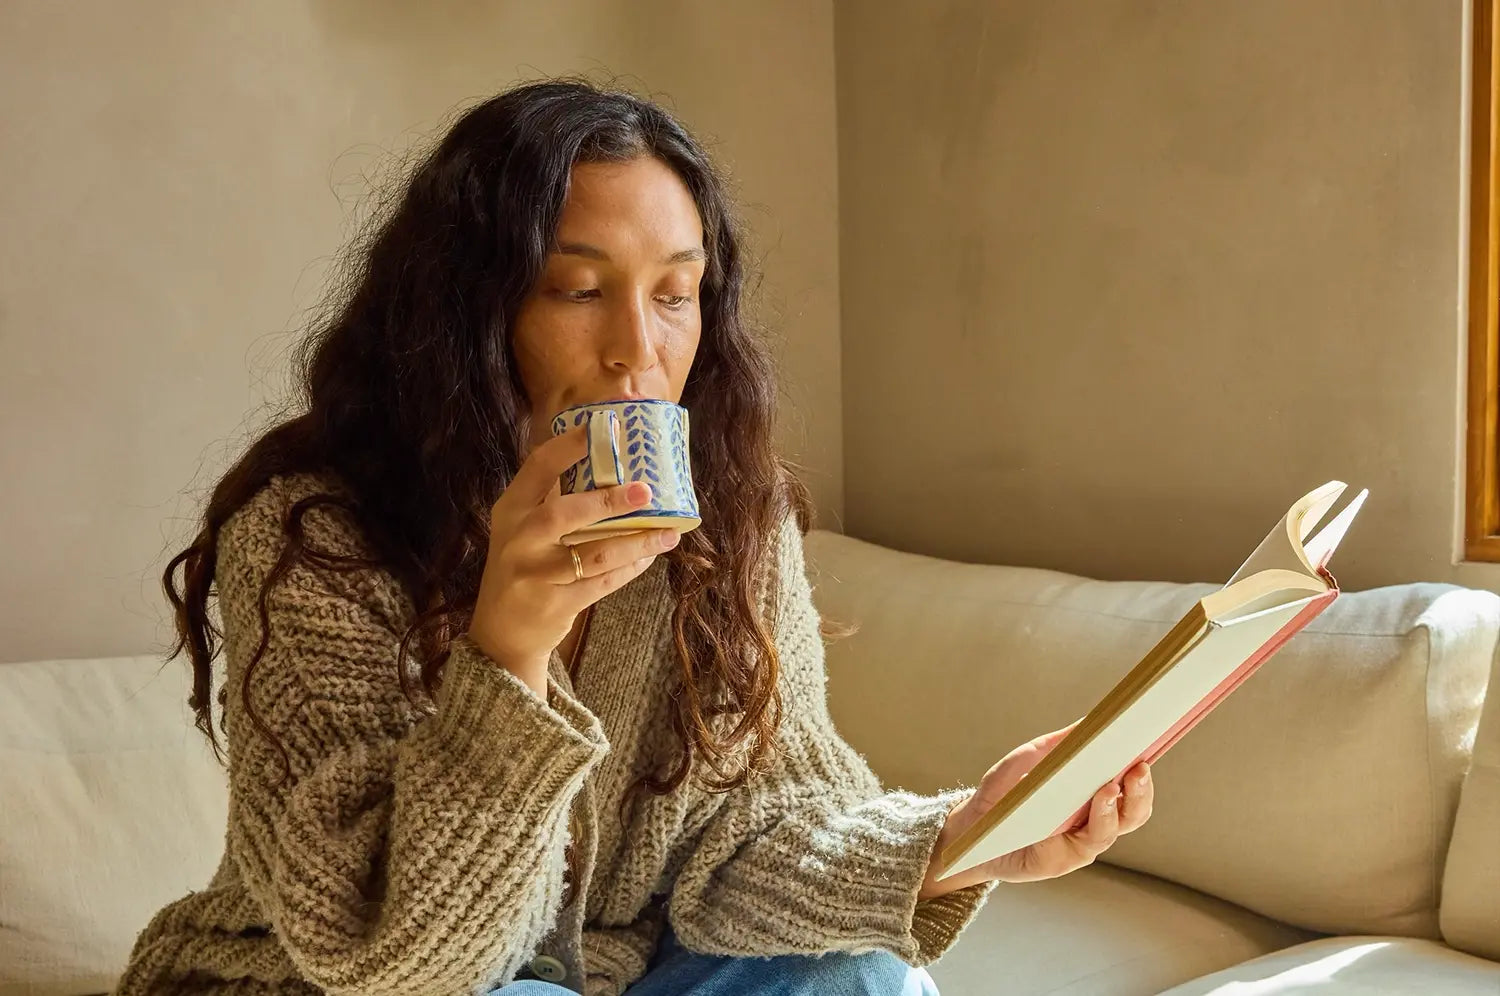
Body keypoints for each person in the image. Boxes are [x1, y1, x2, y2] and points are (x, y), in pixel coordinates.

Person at [113, 79, 1154, 996]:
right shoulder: (313, 542)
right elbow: (397, 965)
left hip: (620, 974)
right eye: (578, 290)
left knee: (858, 970)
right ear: (465, 312)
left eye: (674, 295)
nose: (637, 351)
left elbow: (745, 844)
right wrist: (507, 656)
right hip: (335, 984)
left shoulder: (731, 516)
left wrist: (967, 837)